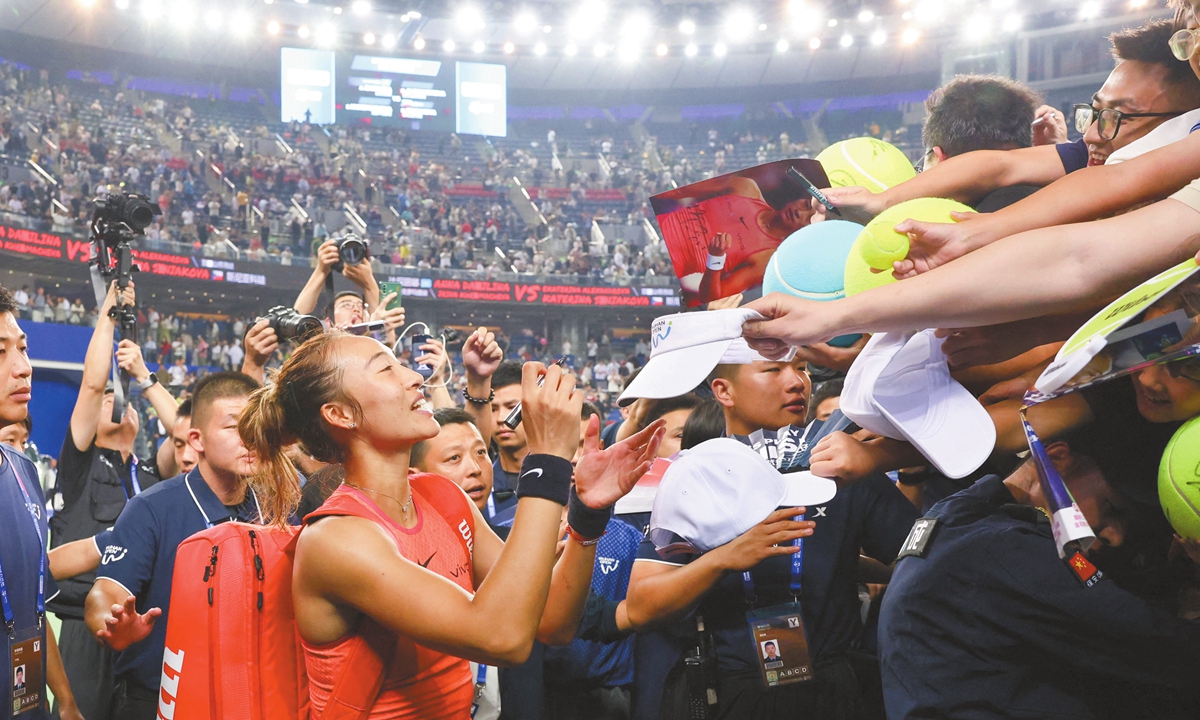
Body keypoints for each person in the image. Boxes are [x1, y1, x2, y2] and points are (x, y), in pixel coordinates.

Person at [238, 331, 664, 717]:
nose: (413, 376)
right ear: (341, 414)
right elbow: (502, 639)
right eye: (386, 369)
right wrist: (547, 461)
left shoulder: (443, 496)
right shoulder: (336, 539)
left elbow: (551, 621)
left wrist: (586, 519)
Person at [626, 357, 920, 719]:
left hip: (837, 688)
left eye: (801, 367)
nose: (797, 381)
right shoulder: (695, 477)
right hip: (736, 690)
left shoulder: (844, 467)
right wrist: (722, 559)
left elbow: (921, 562)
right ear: (723, 391)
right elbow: (641, 608)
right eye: (772, 370)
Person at [878, 417, 1200, 719]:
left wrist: (1169, 580)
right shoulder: (1006, 549)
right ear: (1058, 458)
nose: (1115, 536)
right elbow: (1165, 647)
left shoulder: (957, 515)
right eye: (1112, 508)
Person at [820, 19, 1200, 226]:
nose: (1091, 133)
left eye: (1118, 116)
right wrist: (882, 202)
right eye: (1096, 111)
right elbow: (997, 164)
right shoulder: (1092, 151)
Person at [85, 372, 263, 720]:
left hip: (247, 697)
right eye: (234, 427)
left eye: (258, 425)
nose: (251, 438)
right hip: (159, 701)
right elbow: (104, 593)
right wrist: (112, 623)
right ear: (196, 439)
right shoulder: (153, 508)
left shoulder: (274, 506)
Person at [48, 282, 176, 720]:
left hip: (143, 628)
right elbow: (91, 383)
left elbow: (184, 431)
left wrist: (144, 377)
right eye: (109, 399)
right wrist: (109, 309)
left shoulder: (149, 474)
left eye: (123, 399)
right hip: (85, 627)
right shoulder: (80, 463)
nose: (116, 401)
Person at [0, 283, 85, 720]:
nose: (23, 368)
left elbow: (31, 603)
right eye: (1, 352)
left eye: (23, 348)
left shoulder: (23, 470)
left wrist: (65, 700)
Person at [654, 174, 816, 304]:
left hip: (664, 270)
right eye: (807, 205)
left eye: (808, 219)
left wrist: (715, 259)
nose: (800, 213)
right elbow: (678, 193)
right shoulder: (745, 187)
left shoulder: (765, 259)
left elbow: (710, 297)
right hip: (655, 229)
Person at [489, 360, 526, 518]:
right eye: (493, 409)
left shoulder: (565, 481)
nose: (501, 418)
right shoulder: (479, 486)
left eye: (512, 407)